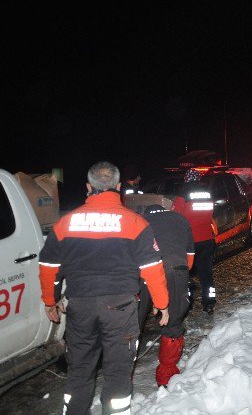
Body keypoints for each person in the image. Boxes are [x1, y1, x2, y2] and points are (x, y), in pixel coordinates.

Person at [38, 161, 169, 415]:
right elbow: (153, 268)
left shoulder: (66, 223)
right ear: (119, 187)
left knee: (79, 371)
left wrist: (50, 300)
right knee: (118, 372)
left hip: (80, 307)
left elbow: (48, 265)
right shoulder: (135, 223)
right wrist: (162, 304)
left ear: (88, 187)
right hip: (120, 310)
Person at [137, 204, 194, 387]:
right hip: (175, 269)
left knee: (131, 324)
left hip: (143, 272)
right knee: (173, 323)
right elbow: (190, 258)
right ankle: (166, 376)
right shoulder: (181, 219)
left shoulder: (139, 220)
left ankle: (121, 378)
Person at [172, 168, 217, 315]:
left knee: (186, 274)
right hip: (206, 239)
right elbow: (210, 215)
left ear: (187, 178)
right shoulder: (207, 193)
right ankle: (209, 302)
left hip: (189, 241)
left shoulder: (183, 193)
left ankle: (187, 303)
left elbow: (176, 217)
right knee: (206, 273)